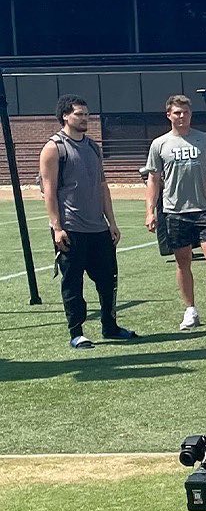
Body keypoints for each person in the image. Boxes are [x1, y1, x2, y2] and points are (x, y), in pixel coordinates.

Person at [39, 95, 137, 348]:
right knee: (73, 283)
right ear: (65, 116)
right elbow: (48, 192)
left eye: (86, 114)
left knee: (108, 280)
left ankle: (110, 325)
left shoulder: (93, 146)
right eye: (79, 114)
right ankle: (77, 332)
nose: (85, 119)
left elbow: (102, 186)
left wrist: (111, 222)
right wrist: (57, 227)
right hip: (71, 228)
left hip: (98, 228)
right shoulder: (54, 148)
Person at [143, 95, 206, 331]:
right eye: (177, 112)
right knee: (183, 260)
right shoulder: (160, 144)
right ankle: (190, 310)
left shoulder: (205, 140)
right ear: (169, 115)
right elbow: (153, 180)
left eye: (185, 112)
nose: (181, 116)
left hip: (203, 209)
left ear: (191, 114)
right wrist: (150, 211)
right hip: (174, 211)